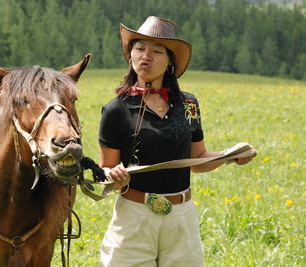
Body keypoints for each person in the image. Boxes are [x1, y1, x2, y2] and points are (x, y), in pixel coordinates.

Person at [98, 16, 257, 266]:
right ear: (130, 56)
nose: (145, 56)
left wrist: (229, 155)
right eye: (139, 48)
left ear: (170, 60)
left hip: (182, 218)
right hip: (134, 218)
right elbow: (107, 169)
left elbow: (197, 160)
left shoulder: (188, 105)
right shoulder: (115, 109)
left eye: (157, 50)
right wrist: (115, 176)